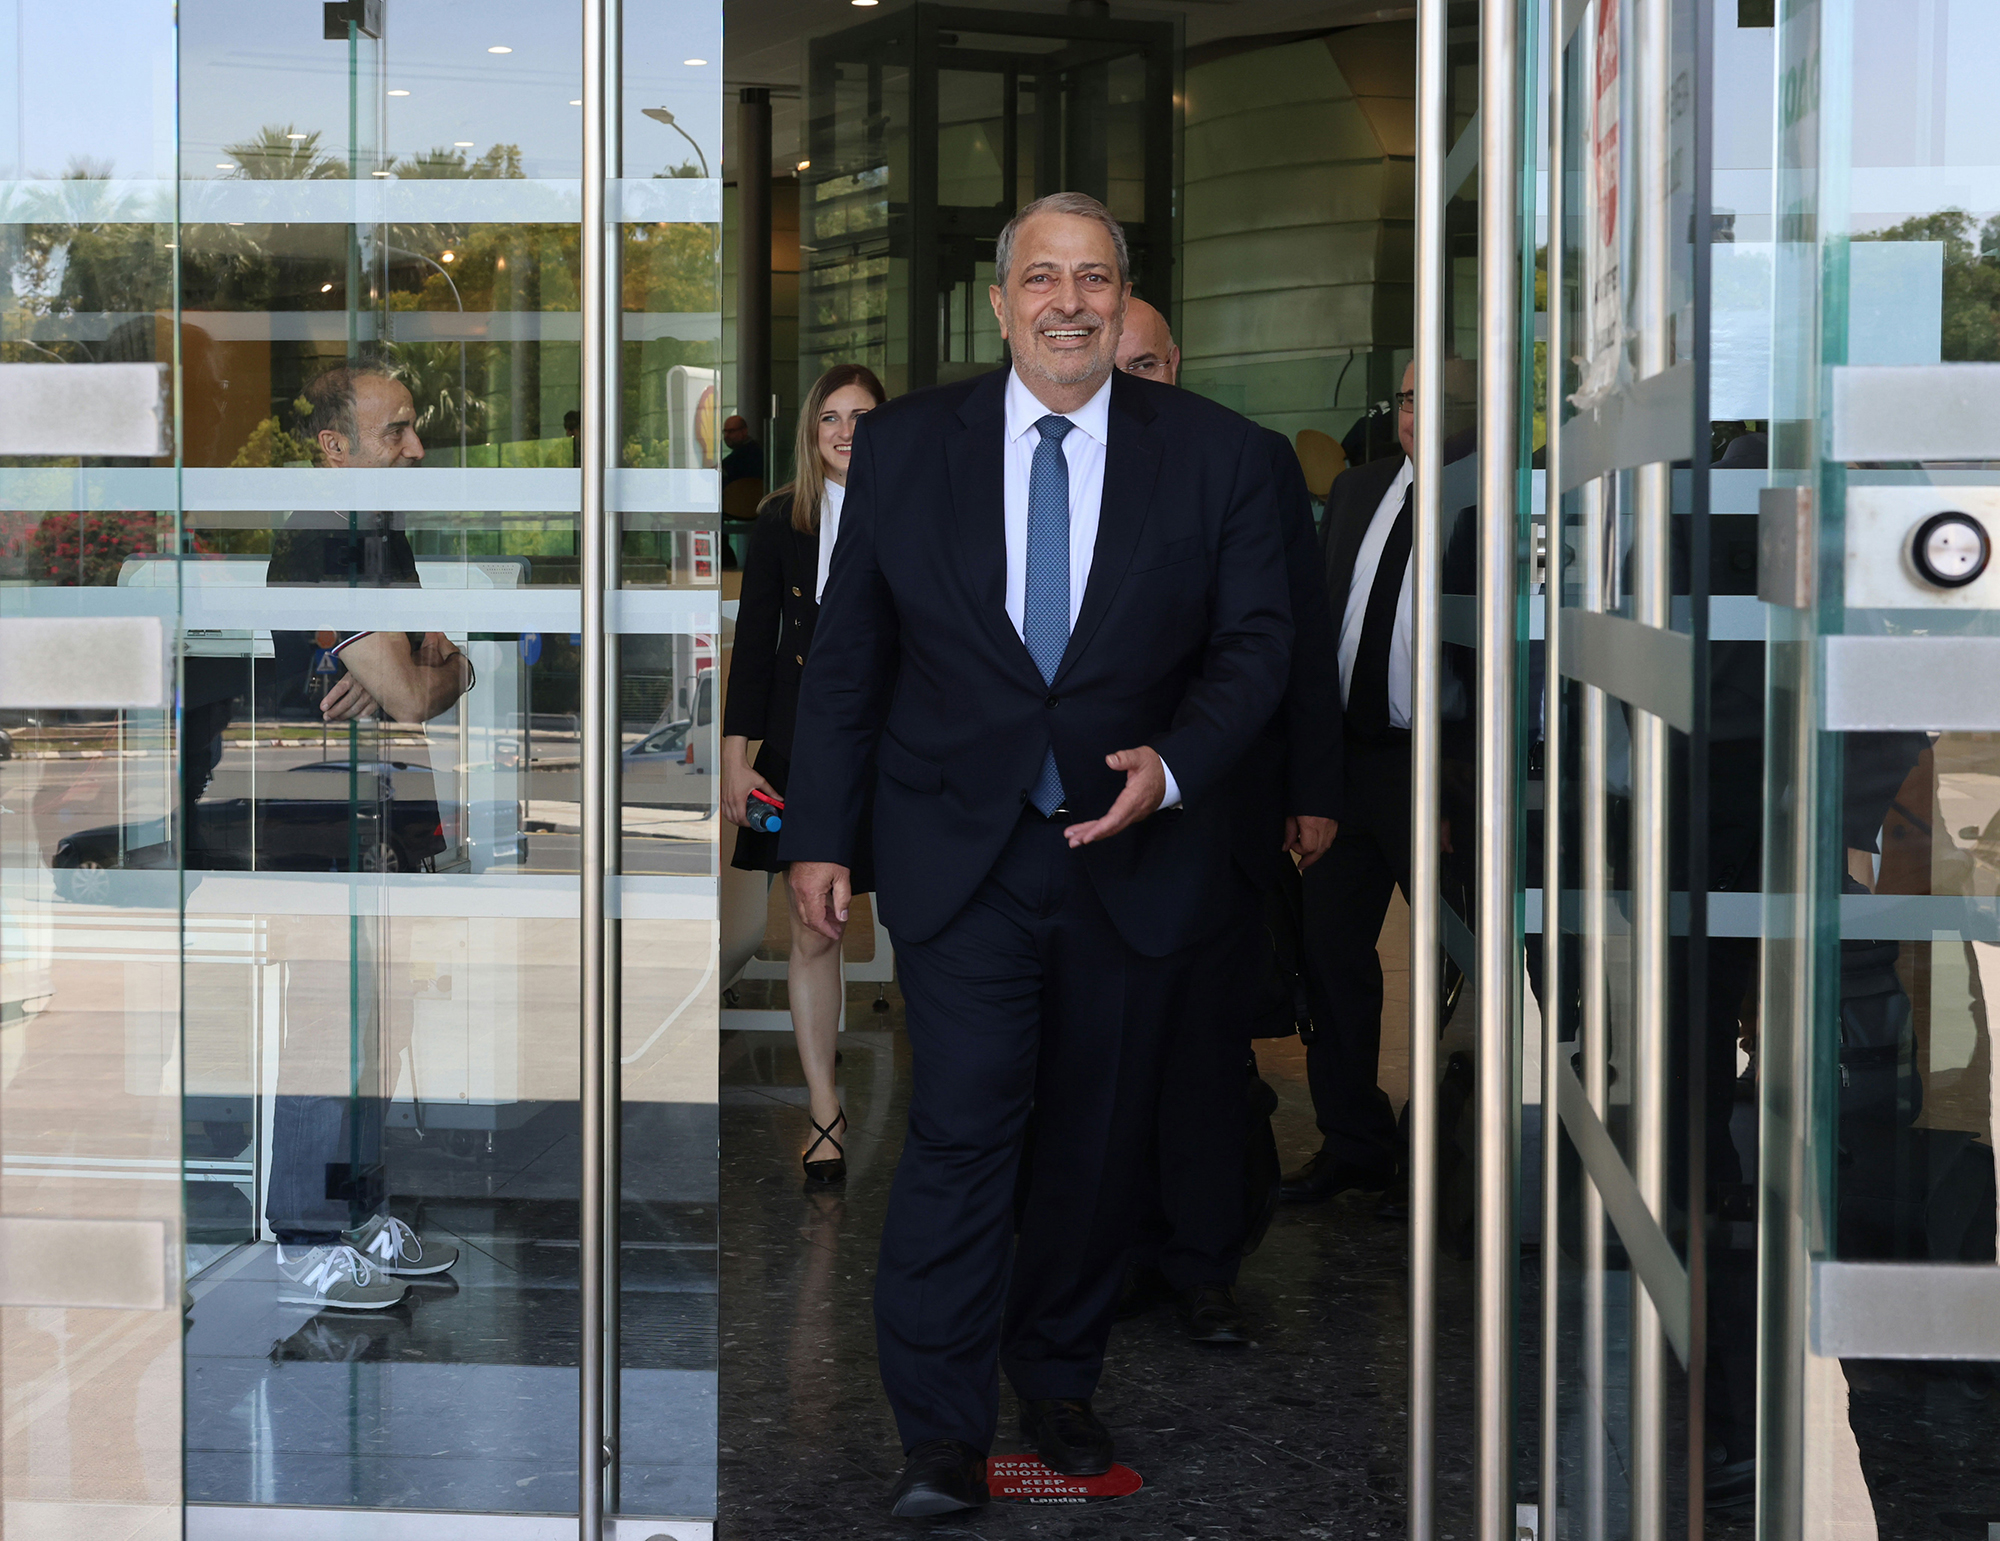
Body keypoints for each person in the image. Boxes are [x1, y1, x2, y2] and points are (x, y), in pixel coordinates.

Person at [779, 191, 1292, 1519]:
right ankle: (939, 1432)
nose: (1070, 301)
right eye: (1044, 278)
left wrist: (1176, 763)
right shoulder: (905, 447)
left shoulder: (1221, 455)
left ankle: (1058, 1378)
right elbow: (850, 657)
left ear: (1122, 300)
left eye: (1095, 278)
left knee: (1095, 1136)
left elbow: (1256, 646)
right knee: (962, 1128)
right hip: (961, 850)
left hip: (1132, 848)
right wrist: (819, 836)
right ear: (1002, 303)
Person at [1111, 299, 1342, 1342]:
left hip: (1223, 808)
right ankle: (1115, 1250)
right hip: (1096, 814)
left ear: (1177, 362)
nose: (1132, 382)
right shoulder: (1053, 464)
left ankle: (1206, 1268)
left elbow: (1297, 633)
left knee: (1208, 1054)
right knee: (1108, 1052)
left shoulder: (1245, 459)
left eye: (1147, 364)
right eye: (1115, 364)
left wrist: (1313, 787)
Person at [262, 358, 474, 1311]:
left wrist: (436, 663)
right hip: (319, 826)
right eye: (396, 430)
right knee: (326, 1027)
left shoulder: (382, 540)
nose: (416, 447)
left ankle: (355, 1213)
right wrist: (425, 670)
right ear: (334, 446)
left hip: (383, 818)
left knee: (379, 1025)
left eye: (413, 426)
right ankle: (306, 1235)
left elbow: (427, 665)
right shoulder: (323, 541)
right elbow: (413, 690)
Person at [719, 363, 888, 1184]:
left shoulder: (919, 508)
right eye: (831, 417)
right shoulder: (781, 519)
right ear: (810, 431)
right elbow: (756, 644)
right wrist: (734, 754)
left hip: (900, 747)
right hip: (801, 746)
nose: (846, 432)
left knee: (926, 922)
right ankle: (825, 1106)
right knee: (814, 925)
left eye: (862, 416)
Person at [1282, 359, 1422, 1204]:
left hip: (1438, 771)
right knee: (1330, 954)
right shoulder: (1358, 491)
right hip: (1346, 764)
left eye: (1437, 398)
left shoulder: (1501, 499)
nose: (1416, 414)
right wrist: (1308, 776)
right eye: (1406, 398)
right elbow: (1317, 629)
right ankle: (1355, 1141)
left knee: (1467, 961)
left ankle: (1460, 1153)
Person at [720, 413, 762, 486]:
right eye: (725, 431)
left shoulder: (749, 455)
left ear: (744, 431)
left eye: (731, 431)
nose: (726, 436)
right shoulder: (752, 450)